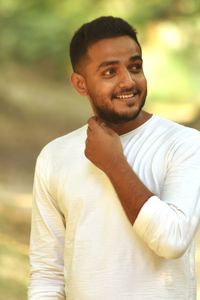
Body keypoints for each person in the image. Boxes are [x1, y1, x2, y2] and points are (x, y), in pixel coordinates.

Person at [28, 16, 200, 300]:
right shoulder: (54, 157)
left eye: (135, 67)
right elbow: (48, 275)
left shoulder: (184, 144)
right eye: (110, 72)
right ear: (80, 84)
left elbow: (173, 239)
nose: (128, 81)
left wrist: (114, 163)